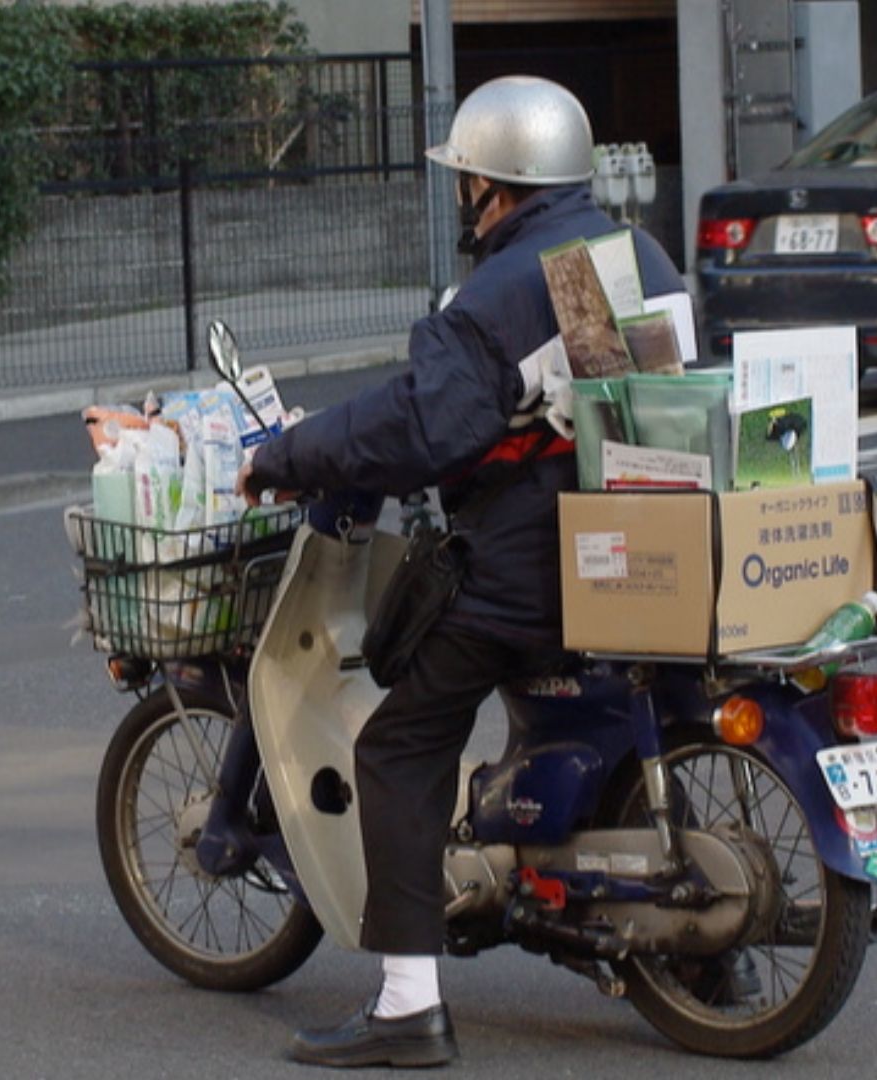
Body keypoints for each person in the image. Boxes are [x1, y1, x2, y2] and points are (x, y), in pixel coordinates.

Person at [236, 76, 693, 1068]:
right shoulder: (640, 255)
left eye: (466, 178)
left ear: (490, 184)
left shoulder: (500, 291)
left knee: (400, 744)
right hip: (653, 552)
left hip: (532, 568)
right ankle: (713, 963)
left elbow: (421, 425)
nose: (463, 195)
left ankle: (407, 1003)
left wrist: (288, 455)